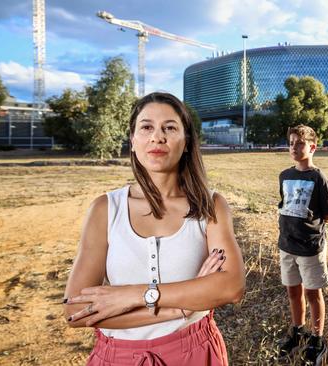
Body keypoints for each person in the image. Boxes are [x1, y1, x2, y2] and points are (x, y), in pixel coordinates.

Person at [63, 92, 245, 365]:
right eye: (146, 127)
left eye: (170, 128)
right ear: (133, 141)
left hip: (195, 352)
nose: (157, 137)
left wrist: (132, 295)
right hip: (117, 357)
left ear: (186, 143)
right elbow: (76, 311)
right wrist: (181, 307)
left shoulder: (210, 205)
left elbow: (231, 286)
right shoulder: (105, 209)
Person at [276, 125, 328, 365]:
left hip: (310, 248)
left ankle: (317, 339)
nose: (293, 147)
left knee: (313, 293)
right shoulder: (284, 175)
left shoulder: (319, 178)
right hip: (287, 244)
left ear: (312, 147)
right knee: (293, 291)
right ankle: (298, 331)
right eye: (291, 143)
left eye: (299, 144)